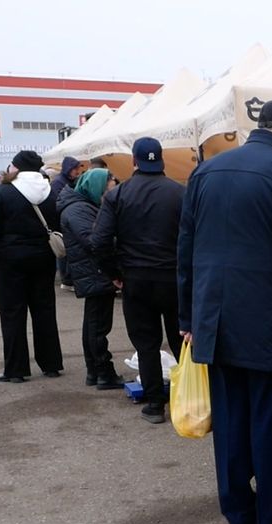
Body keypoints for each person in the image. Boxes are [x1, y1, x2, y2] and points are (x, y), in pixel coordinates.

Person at [178, 99, 272, 524]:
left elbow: (185, 252)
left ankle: (239, 511)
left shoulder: (206, 172)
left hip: (217, 321)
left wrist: (189, 316)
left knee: (230, 421)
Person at [90, 137, 184, 424]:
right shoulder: (181, 193)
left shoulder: (118, 195)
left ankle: (155, 403)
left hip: (136, 278)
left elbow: (99, 241)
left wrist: (114, 273)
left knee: (146, 342)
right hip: (175, 278)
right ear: (162, 161)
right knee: (183, 340)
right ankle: (190, 399)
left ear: (134, 161)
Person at [0, 150, 64, 383]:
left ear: (17, 167)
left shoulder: (3, 192)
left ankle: (16, 370)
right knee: (44, 310)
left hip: (8, 260)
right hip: (43, 257)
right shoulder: (50, 192)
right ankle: (51, 364)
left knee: (12, 313)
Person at [58, 167, 123, 390]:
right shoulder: (79, 209)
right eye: (108, 191)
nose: (109, 197)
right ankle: (103, 371)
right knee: (97, 326)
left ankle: (95, 371)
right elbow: (93, 241)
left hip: (92, 271)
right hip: (94, 271)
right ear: (97, 188)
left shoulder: (81, 206)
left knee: (94, 324)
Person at [49, 157, 84, 291]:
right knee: (64, 250)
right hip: (61, 221)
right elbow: (57, 203)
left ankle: (68, 278)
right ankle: (66, 279)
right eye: (75, 169)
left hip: (67, 219)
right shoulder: (58, 183)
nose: (77, 171)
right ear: (68, 169)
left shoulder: (70, 181)